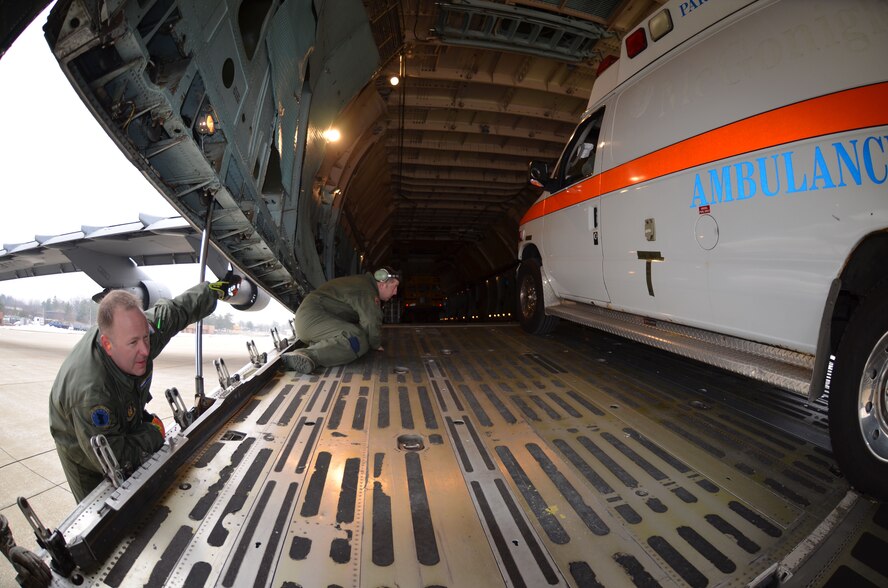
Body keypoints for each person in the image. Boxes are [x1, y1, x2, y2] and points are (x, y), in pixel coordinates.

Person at [48, 274, 240, 502]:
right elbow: (115, 459)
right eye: (133, 343)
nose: (145, 351)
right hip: (84, 449)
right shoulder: (92, 396)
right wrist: (154, 432)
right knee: (105, 512)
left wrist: (213, 291)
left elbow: (176, 311)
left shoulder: (139, 332)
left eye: (145, 339)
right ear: (108, 344)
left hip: (120, 406)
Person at [282, 267, 400, 373]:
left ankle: (316, 348)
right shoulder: (367, 290)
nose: (395, 292)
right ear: (383, 284)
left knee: (360, 335)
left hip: (311, 321)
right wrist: (375, 344)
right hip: (312, 319)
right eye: (394, 286)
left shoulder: (363, 284)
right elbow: (371, 321)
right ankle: (307, 355)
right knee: (356, 339)